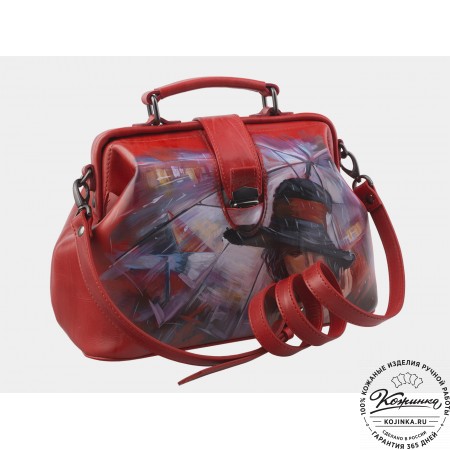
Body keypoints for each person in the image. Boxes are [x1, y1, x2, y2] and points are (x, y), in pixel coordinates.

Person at [223, 178, 355, 294]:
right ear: (280, 257)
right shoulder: (268, 300)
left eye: (318, 252)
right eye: (296, 252)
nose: (310, 263)